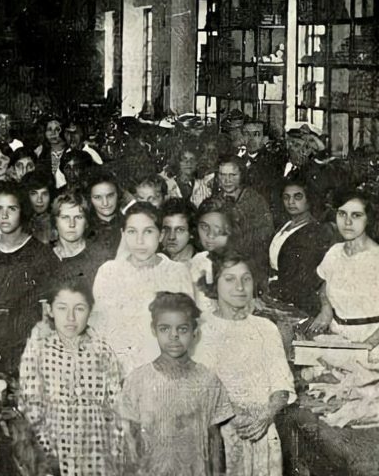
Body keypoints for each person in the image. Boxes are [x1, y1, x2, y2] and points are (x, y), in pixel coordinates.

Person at [193, 250, 295, 476]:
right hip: (218, 434)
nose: (239, 287)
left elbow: (282, 385)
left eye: (246, 279)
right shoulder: (202, 330)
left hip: (262, 431)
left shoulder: (265, 328)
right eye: (229, 279)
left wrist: (267, 414)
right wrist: (236, 416)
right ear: (214, 284)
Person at [119, 292, 233, 476]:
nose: (174, 336)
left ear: (194, 332)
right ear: (154, 329)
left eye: (182, 329)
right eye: (165, 329)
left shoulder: (208, 380)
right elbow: (130, 444)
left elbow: (215, 443)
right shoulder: (137, 380)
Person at [19, 280, 124, 476]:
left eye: (79, 309)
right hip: (53, 450)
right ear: (50, 310)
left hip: (96, 449)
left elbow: (116, 406)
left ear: (90, 311)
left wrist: (116, 452)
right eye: (62, 308)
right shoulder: (38, 349)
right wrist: (47, 452)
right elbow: (31, 404)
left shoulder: (102, 350)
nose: (70, 318)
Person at [0, 182, 57, 374]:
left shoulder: (41, 253)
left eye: (11, 209)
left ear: (22, 211)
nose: (4, 216)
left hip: (25, 344)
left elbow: (51, 306)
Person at [91, 202, 193, 374]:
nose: (140, 241)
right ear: (123, 234)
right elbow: (99, 329)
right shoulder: (109, 272)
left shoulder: (176, 273)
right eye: (132, 232)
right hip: (116, 371)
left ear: (161, 235)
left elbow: (182, 331)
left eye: (148, 231)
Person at [312, 190, 379, 354]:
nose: (347, 222)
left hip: (372, 345)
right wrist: (326, 308)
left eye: (356, 215)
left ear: (368, 219)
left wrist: (366, 347)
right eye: (342, 214)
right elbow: (324, 284)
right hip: (337, 339)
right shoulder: (334, 252)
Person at [265, 179, 335, 320]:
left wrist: (274, 290)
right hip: (274, 293)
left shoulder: (315, 231)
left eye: (297, 197)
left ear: (309, 199)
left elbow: (303, 277)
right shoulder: (285, 225)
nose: (291, 202)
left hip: (296, 301)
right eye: (286, 197)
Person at [216, 155, 273, 276]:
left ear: (242, 175)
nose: (227, 180)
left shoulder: (255, 201)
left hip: (250, 266)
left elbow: (265, 235)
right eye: (222, 175)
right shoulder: (215, 200)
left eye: (232, 175)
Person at [50, 190, 111, 291]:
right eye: (65, 217)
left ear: (86, 222)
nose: (72, 224)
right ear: (55, 222)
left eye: (78, 217)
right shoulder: (44, 256)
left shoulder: (100, 257)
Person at [160, 198, 197, 265]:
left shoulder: (204, 265)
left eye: (179, 230)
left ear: (192, 232)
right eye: (167, 229)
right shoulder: (156, 262)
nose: (171, 237)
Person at [20, 171, 54, 244]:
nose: (39, 200)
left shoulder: (56, 223)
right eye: (34, 194)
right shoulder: (19, 222)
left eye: (44, 194)